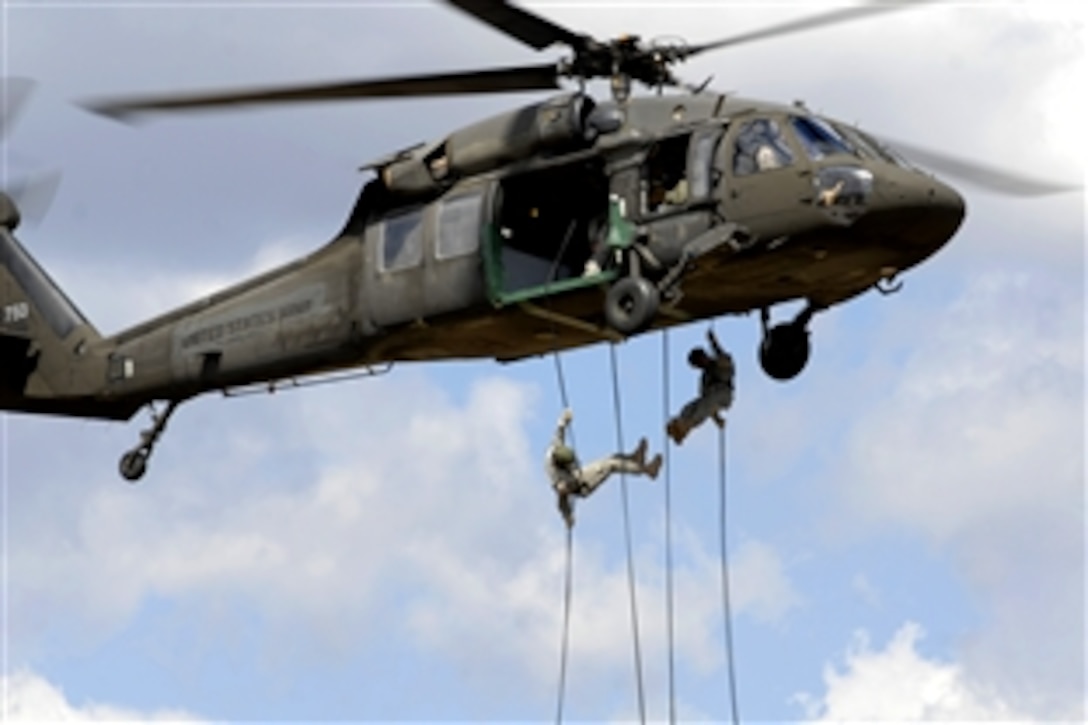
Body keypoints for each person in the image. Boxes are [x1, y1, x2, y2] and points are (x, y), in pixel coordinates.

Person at [546, 408, 663, 528]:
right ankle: (647, 470)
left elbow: (559, 433)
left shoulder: (554, 449)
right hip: (582, 485)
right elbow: (561, 499)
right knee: (610, 465)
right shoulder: (558, 478)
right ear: (558, 464)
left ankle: (634, 459)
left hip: (578, 474)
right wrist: (568, 517)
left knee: (611, 458)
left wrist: (563, 420)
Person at [667, 330, 735, 445]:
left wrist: (713, 341)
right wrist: (718, 420)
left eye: (700, 362)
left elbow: (724, 358)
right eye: (698, 365)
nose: (701, 366)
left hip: (725, 393)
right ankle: (681, 423)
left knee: (708, 401)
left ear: (704, 356)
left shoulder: (719, 362)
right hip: (714, 398)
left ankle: (685, 426)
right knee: (690, 407)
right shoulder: (705, 379)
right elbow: (707, 406)